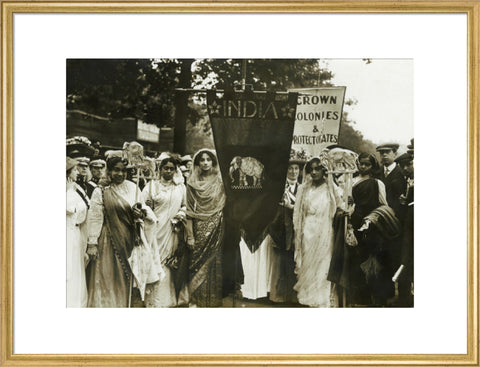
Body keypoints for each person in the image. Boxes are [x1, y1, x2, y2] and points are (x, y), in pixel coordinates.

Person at [86, 154, 158, 307]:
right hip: (109, 239)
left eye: (124, 171)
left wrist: (141, 214)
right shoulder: (101, 191)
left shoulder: (133, 187)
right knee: (108, 276)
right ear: (109, 171)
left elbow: (144, 209)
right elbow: (95, 217)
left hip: (130, 239)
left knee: (127, 277)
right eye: (116, 170)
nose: (120, 174)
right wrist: (92, 243)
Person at [293, 154, 343, 307]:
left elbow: (340, 206)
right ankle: (308, 298)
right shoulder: (303, 189)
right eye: (311, 169)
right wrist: (298, 232)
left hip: (325, 230)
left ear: (324, 171)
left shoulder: (330, 189)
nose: (314, 172)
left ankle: (322, 299)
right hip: (307, 231)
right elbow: (297, 212)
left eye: (318, 169)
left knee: (323, 264)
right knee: (308, 263)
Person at [142, 156, 187, 307]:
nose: (168, 171)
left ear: (175, 170)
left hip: (172, 229)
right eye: (165, 168)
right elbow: (141, 206)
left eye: (171, 168)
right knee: (154, 260)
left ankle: (167, 300)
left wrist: (179, 217)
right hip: (154, 229)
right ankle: (152, 301)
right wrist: (148, 209)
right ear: (160, 169)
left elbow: (186, 206)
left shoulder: (180, 187)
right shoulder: (150, 187)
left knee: (168, 262)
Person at [186, 149, 226, 307]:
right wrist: (190, 235)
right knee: (197, 262)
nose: (205, 163)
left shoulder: (220, 182)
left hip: (217, 224)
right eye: (201, 160)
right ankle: (196, 300)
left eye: (208, 159)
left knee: (214, 262)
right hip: (198, 226)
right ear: (197, 163)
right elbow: (189, 211)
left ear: (213, 162)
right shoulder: (191, 183)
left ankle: (213, 301)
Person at [268, 152, 304, 304]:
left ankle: (295, 297)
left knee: (296, 262)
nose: (293, 172)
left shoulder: (302, 188)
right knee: (281, 263)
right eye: (290, 169)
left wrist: (293, 207)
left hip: (298, 229)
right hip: (281, 229)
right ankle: (279, 296)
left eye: (296, 168)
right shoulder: (279, 188)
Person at [66, 157, 89, 307]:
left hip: (75, 233)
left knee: (76, 268)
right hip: (67, 234)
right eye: (74, 170)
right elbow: (71, 210)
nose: (77, 172)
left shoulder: (74, 188)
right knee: (68, 269)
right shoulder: (68, 191)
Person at [376, 143, 407, 219]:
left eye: (387, 152)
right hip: (378, 215)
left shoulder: (402, 173)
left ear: (395, 154)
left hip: (396, 216)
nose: (384, 155)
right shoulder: (376, 172)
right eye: (382, 153)